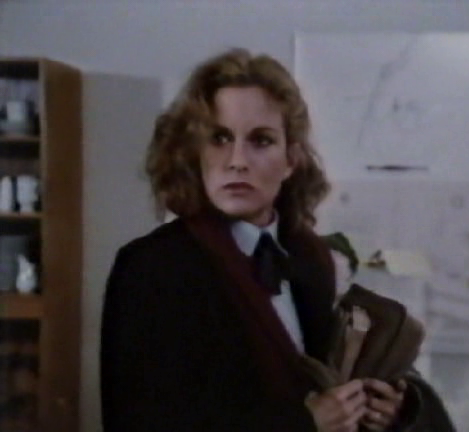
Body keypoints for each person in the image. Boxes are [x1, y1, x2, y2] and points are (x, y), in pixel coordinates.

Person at [100, 48, 420, 432]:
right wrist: (302, 424)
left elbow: (328, 383)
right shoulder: (151, 266)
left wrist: (383, 409)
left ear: (291, 159)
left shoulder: (311, 258)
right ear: (194, 152)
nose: (237, 160)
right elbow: (139, 422)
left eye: (261, 140)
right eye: (219, 138)